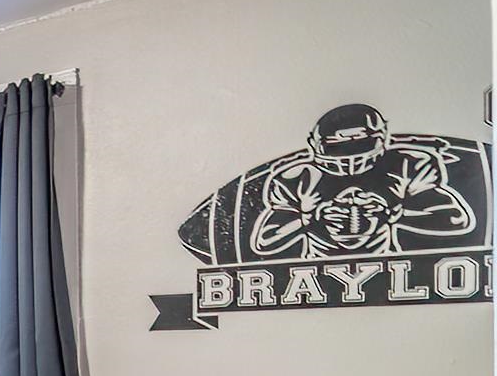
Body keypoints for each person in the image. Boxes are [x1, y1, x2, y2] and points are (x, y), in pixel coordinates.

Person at [178, 104, 483, 264]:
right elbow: (264, 242)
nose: (349, 161)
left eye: (359, 146)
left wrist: (391, 212)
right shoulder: (296, 178)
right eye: (338, 149)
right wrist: (311, 219)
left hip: (388, 264)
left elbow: (457, 219)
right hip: (317, 271)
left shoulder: (406, 164)